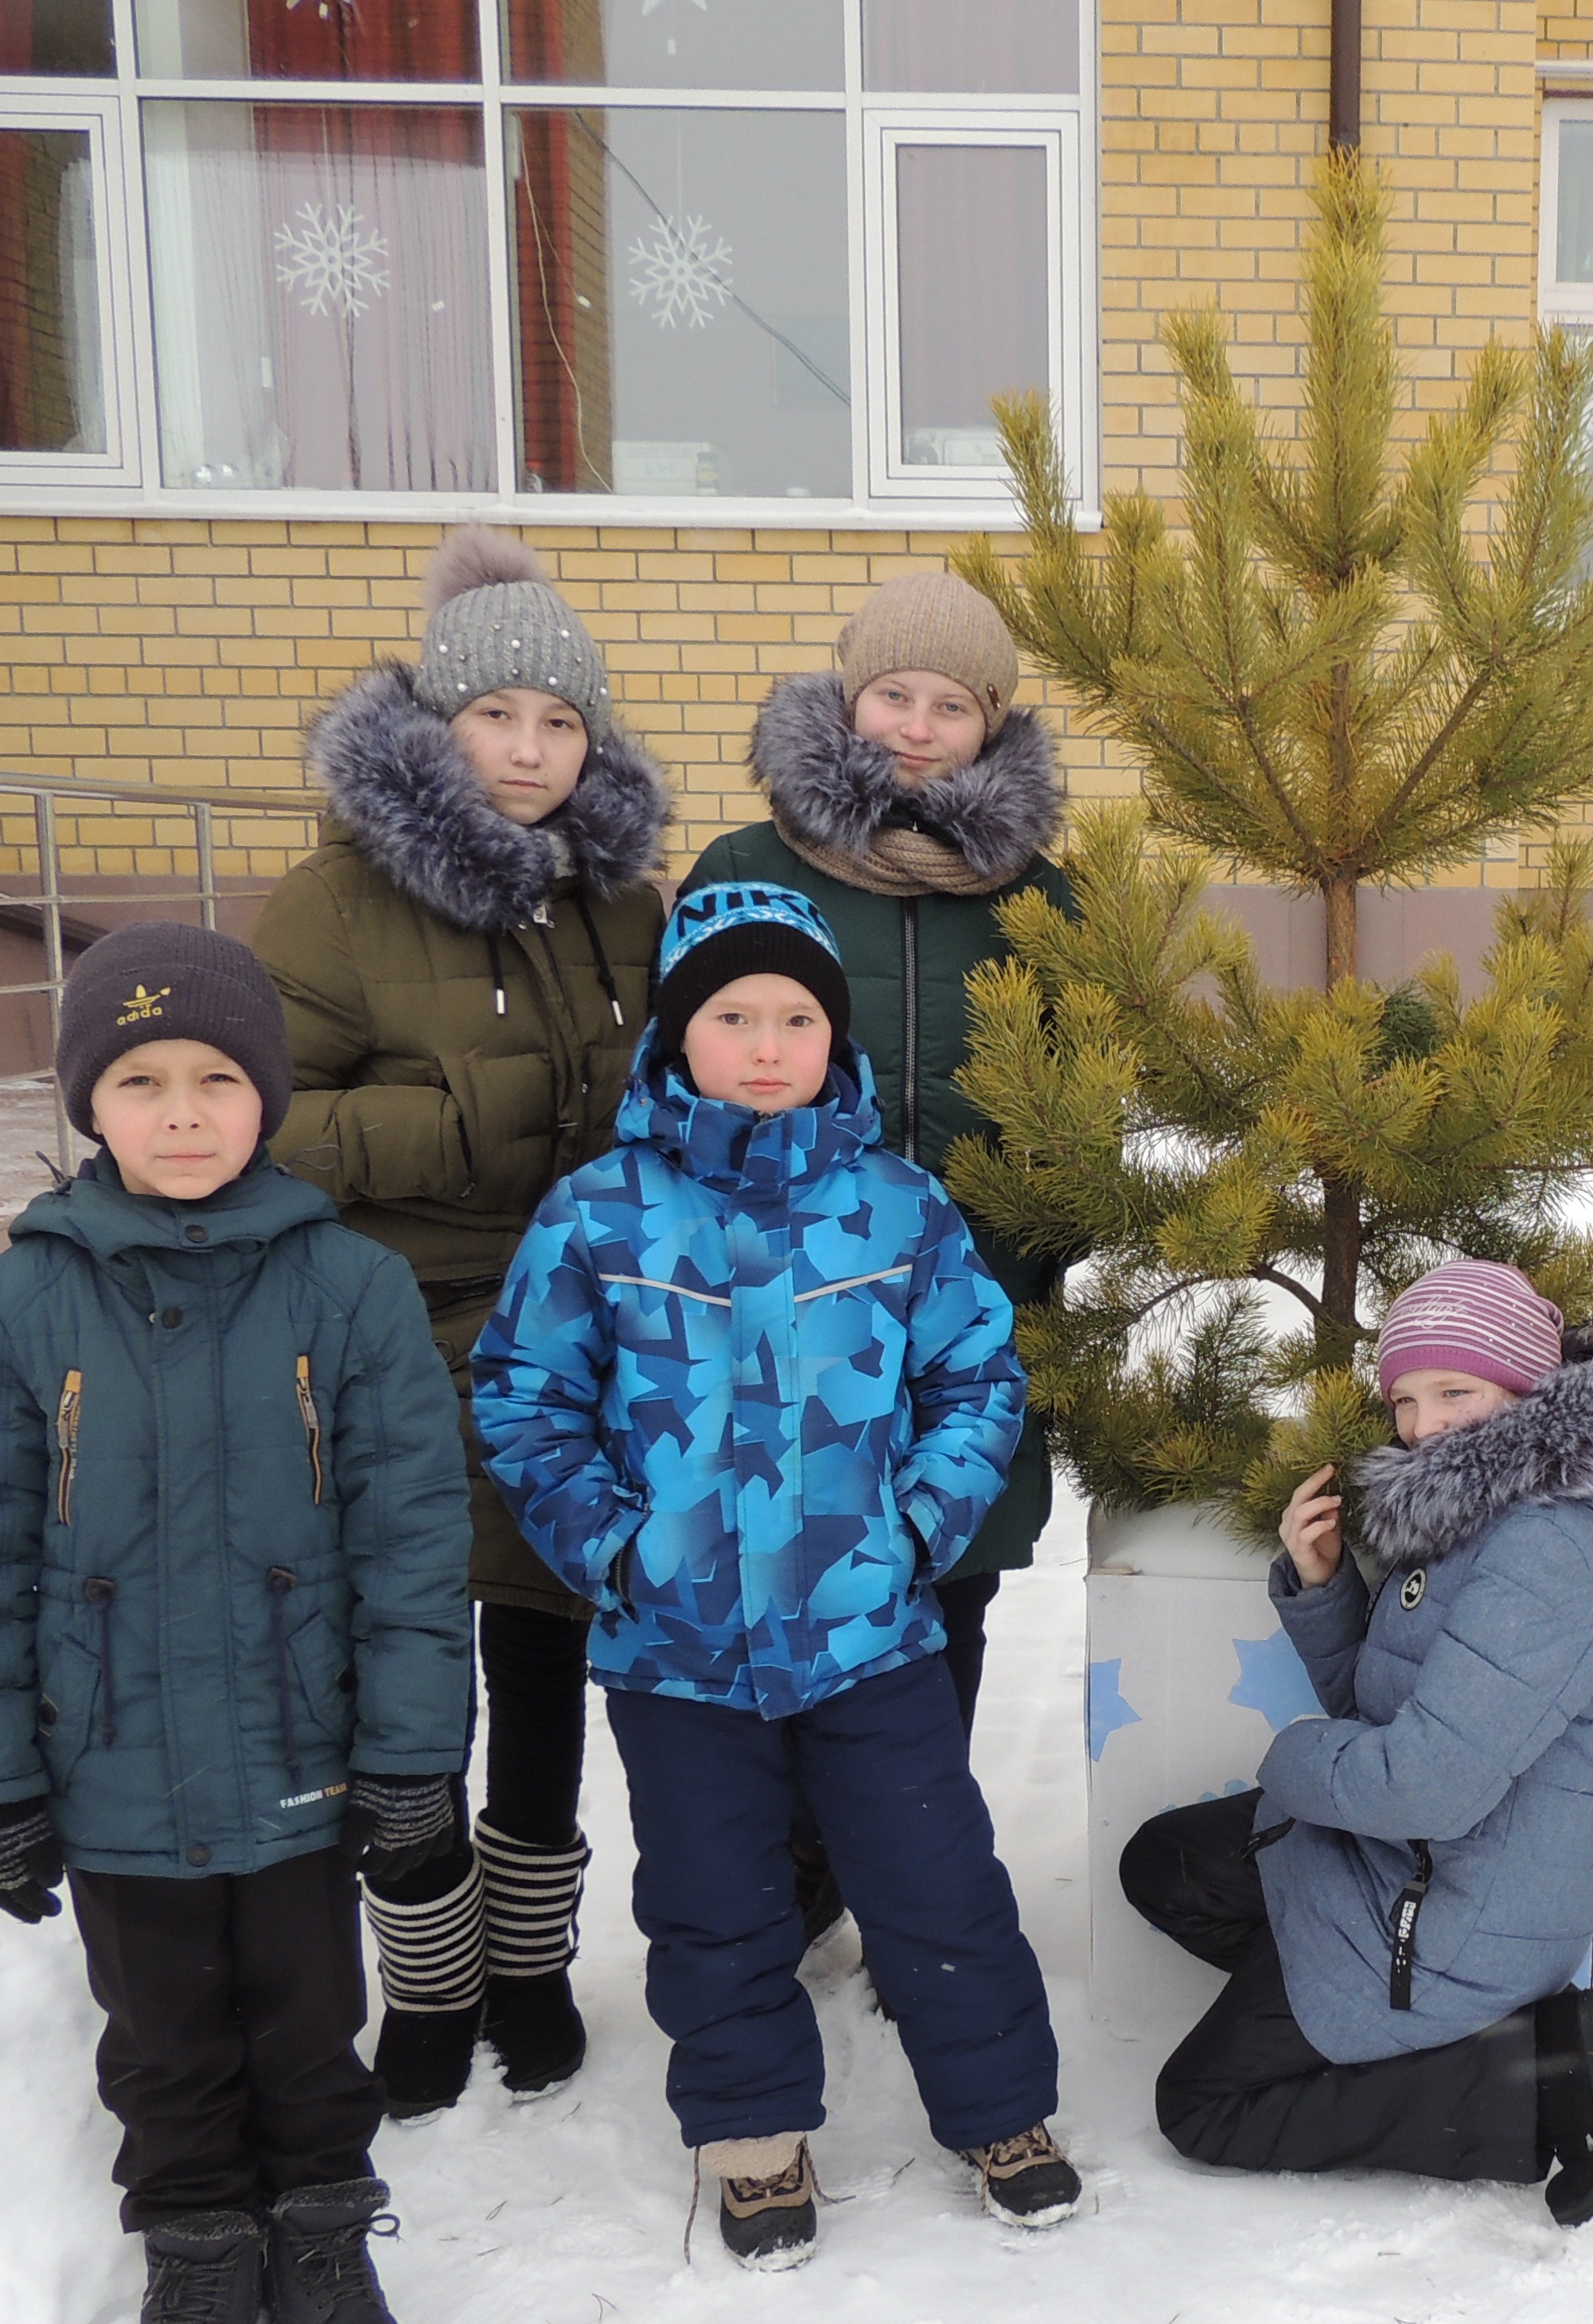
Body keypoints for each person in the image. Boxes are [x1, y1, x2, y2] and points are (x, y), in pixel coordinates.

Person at [471, 881, 1078, 2270]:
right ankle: (750, 2129)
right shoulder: (599, 1214)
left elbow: (977, 1376)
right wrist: (611, 1543)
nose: (763, 1044)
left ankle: (1004, 2110)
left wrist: (915, 1529)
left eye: (795, 1016)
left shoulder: (897, 1206)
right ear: (676, 1034)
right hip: (675, 1648)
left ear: (833, 1035)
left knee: (936, 1878)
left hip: (870, 1634)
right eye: (731, 1015)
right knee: (712, 1895)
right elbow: (524, 1395)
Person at [0, 925, 472, 2324]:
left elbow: (410, 1540)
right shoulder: (15, 1303)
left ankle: (324, 2225)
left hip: (303, 1752)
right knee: (161, 2034)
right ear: (87, 1102)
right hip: (109, 1764)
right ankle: (198, 2240)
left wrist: (412, 1752)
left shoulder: (352, 1287)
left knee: (309, 2018)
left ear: (266, 1096)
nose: (180, 1112)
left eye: (217, 1077)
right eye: (140, 1079)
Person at [255, 524, 668, 2115]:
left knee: (547, 1651)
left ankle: (533, 1960)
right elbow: (257, 1122)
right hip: (400, 1330)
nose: (529, 749)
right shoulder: (333, 906)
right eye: (496, 714)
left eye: (560, 721)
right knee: (413, 1665)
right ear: (437, 723)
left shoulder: (622, 903)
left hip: (576, 1336)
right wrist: (451, 1127)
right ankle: (428, 1979)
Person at [1119, 1260, 1593, 2225]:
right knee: (1163, 1864)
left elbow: (1424, 1784)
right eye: (1405, 1399)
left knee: (1200, 2105)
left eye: (1454, 1392)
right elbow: (1392, 1710)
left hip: (1462, 1913)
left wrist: (1290, 1757)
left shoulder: (1545, 1550)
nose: (1424, 1425)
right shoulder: (1474, 1508)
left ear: (1528, 1386)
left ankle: (1533, 2083)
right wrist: (1324, 1586)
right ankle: (1345, 1999)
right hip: (1415, 1858)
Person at [678, 571, 1072, 1928]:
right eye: (892, 693)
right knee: (781, 1588)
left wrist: (1042, 1255)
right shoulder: (747, 869)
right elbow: (677, 1084)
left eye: (949, 703)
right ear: (847, 700)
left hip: (967, 1321)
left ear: (992, 722)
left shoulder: (1043, 903)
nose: (915, 725)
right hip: (780, 1318)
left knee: (944, 1595)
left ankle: (907, 1877)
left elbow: (1083, 1118)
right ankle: (801, 1867)